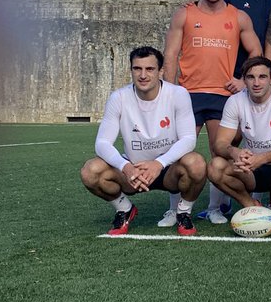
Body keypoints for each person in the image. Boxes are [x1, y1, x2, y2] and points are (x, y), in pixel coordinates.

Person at [162, 0, 261, 224]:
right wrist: (168, 92)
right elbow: (170, 54)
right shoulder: (184, 14)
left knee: (221, 153)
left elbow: (256, 52)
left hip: (223, 96)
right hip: (187, 94)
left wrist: (242, 79)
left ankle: (216, 207)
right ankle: (176, 209)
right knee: (180, 153)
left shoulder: (238, 17)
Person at [80, 46, 206, 236]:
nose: (143, 75)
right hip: (133, 172)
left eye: (150, 69)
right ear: (131, 70)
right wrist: (125, 166)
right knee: (90, 171)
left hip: (169, 169)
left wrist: (159, 163)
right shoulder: (118, 97)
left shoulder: (178, 94)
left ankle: (183, 213)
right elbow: (102, 143)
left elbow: (189, 139)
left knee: (196, 164)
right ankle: (124, 209)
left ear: (160, 71)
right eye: (137, 69)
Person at [208, 56, 271, 232]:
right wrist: (234, 152)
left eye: (262, 77)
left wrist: (262, 158)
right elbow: (220, 143)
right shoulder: (235, 101)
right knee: (216, 166)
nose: (256, 83)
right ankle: (252, 206)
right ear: (244, 80)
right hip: (250, 169)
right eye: (251, 77)